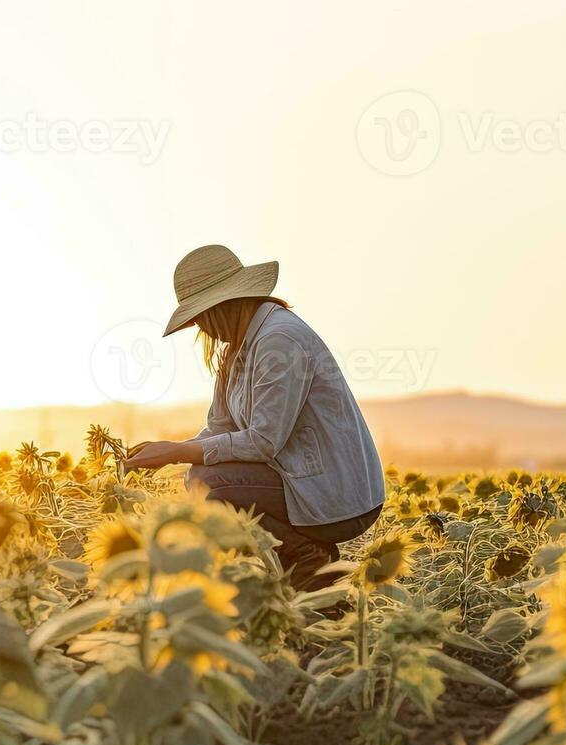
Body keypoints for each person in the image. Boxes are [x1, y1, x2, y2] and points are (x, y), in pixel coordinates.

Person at [123, 245, 387, 587]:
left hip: (337, 497)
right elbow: (221, 428)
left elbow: (263, 442)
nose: (201, 327)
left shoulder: (279, 340)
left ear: (223, 305)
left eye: (201, 316)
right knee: (200, 477)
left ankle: (309, 559)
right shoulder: (239, 348)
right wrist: (165, 450)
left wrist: (175, 451)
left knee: (212, 484)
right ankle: (294, 565)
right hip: (301, 483)